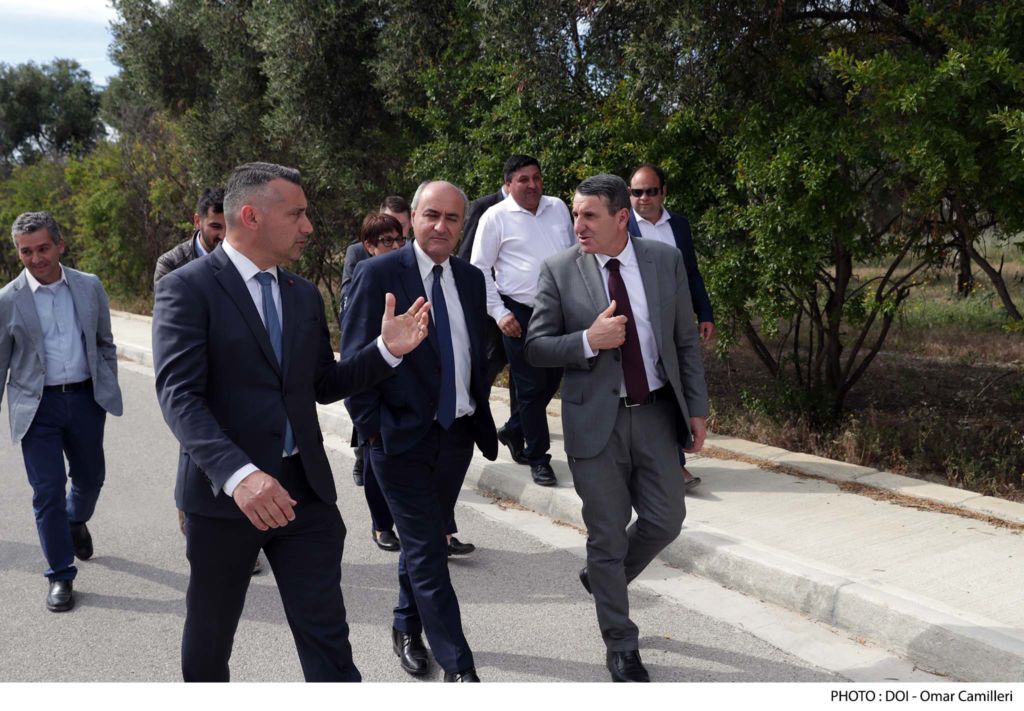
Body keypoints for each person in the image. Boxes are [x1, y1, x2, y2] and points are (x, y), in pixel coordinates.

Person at [152, 162, 430, 682]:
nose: (308, 227)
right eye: (297, 214)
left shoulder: (301, 294)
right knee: (211, 640)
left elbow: (320, 384)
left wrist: (384, 353)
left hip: (305, 493)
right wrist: (240, 476)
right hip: (226, 500)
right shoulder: (187, 288)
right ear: (252, 216)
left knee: (327, 636)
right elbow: (179, 396)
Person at [524, 174, 709, 682]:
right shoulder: (559, 270)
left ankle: (604, 580)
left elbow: (684, 342)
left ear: (621, 218)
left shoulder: (663, 262)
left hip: (655, 414)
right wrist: (588, 338)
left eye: (589, 216)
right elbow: (537, 347)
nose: (577, 225)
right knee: (606, 536)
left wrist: (697, 407)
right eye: (575, 215)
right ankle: (621, 644)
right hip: (593, 422)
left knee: (666, 520)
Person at [342, 180, 497, 682]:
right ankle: (460, 669)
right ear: (412, 217)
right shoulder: (378, 273)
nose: (441, 227)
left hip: (455, 436)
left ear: (462, 226)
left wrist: (474, 403)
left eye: (453, 219)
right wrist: (373, 431)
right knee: (429, 552)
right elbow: (354, 365)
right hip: (398, 441)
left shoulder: (472, 279)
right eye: (432, 215)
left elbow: (476, 349)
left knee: (422, 540)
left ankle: (406, 625)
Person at [0, 211, 123, 612]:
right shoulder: (7, 300)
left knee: (91, 477)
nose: (35, 258)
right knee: (46, 491)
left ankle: (75, 519)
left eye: (43, 248)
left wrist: (105, 381)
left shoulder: (89, 286)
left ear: (60, 245)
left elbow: (105, 342)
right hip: (37, 407)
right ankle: (59, 574)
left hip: (86, 400)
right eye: (26, 251)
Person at [154, 188, 266, 575]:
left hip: (239, 381)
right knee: (198, 452)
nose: (221, 234)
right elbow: (171, 330)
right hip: (195, 379)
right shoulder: (173, 266)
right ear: (197, 221)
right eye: (214, 226)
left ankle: (247, 539)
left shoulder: (252, 261)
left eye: (225, 226)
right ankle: (195, 523)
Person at [470, 155, 574, 486]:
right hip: (519, 312)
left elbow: (574, 253)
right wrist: (499, 313)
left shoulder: (557, 208)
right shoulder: (495, 218)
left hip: (558, 310)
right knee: (529, 386)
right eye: (523, 179)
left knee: (551, 381)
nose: (532, 185)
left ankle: (514, 430)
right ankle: (538, 457)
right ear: (508, 184)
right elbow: (479, 270)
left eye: (536, 178)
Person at [627, 164, 715, 491]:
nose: (645, 198)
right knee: (655, 391)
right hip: (640, 321)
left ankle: (673, 462)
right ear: (628, 195)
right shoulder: (622, 226)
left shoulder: (678, 225)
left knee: (677, 387)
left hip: (676, 319)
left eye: (651, 191)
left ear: (663, 192)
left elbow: (692, 273)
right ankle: (672, 466)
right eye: (637, 192)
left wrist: (704, 312)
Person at [341, 195, 411, 487]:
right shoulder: (360, 262)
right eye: (387, 241)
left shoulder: (411, 262)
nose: (395, 246)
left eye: (400, 239)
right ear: (369, 246)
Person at [153, 187, 226, 285]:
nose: (223, 235)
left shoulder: (244, 257)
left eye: (231, 227)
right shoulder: (171, 265)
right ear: (198, 221)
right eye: (216, 227)